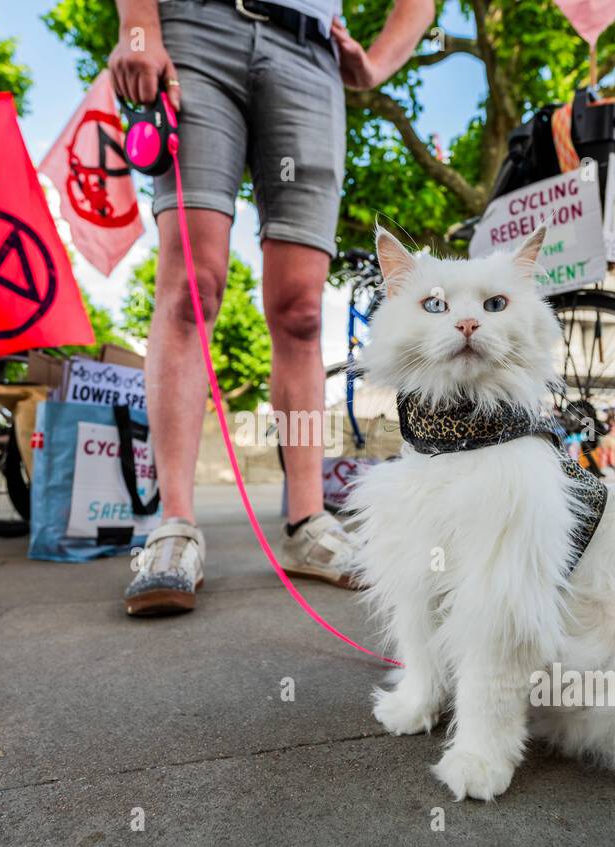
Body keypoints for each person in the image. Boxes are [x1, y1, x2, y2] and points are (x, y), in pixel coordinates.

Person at [110, 0, 435, 616]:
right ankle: (174, 524)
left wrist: (378, 64)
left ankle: (307, 523)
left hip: (310, 57)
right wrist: (139, 28)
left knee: (301, 310)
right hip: (194, 31)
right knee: (191, 287)